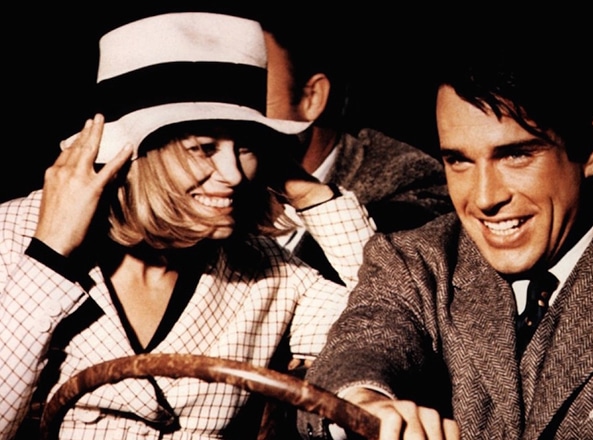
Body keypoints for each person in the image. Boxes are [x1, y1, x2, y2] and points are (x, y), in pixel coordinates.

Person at [0, 10, 377, 439]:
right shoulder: (15, 235)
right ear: (135, 153)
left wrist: (309, 192)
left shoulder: (266, 272)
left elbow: (388, 321)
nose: (233, 175)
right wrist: (50, 255)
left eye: (246, 147)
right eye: (203, 148)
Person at [298, 29, 593, 440]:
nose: (484, 198)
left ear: (592, 148)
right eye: (459, 161)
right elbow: (363, 342)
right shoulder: (416, 261)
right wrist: (365, 402)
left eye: (515, 155)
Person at [259, 12, 453, 285]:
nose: (230, 105)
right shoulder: (220, 182)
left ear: (311, 97)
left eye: (253, 82)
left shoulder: (409, 182)